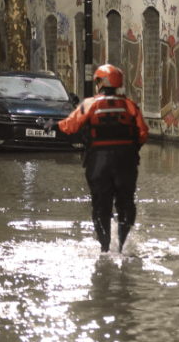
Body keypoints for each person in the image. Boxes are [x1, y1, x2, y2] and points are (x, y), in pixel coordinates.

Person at [58, 64, 148, 253]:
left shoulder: (90, 104)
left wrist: (53, 124)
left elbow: (70, 126)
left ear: (101, 83)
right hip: (125, 163)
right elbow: (143, 133)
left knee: (101, 206)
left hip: (98, 163)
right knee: (125, 203)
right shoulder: (130, 105)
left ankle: (105, 248)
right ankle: (122, 246)